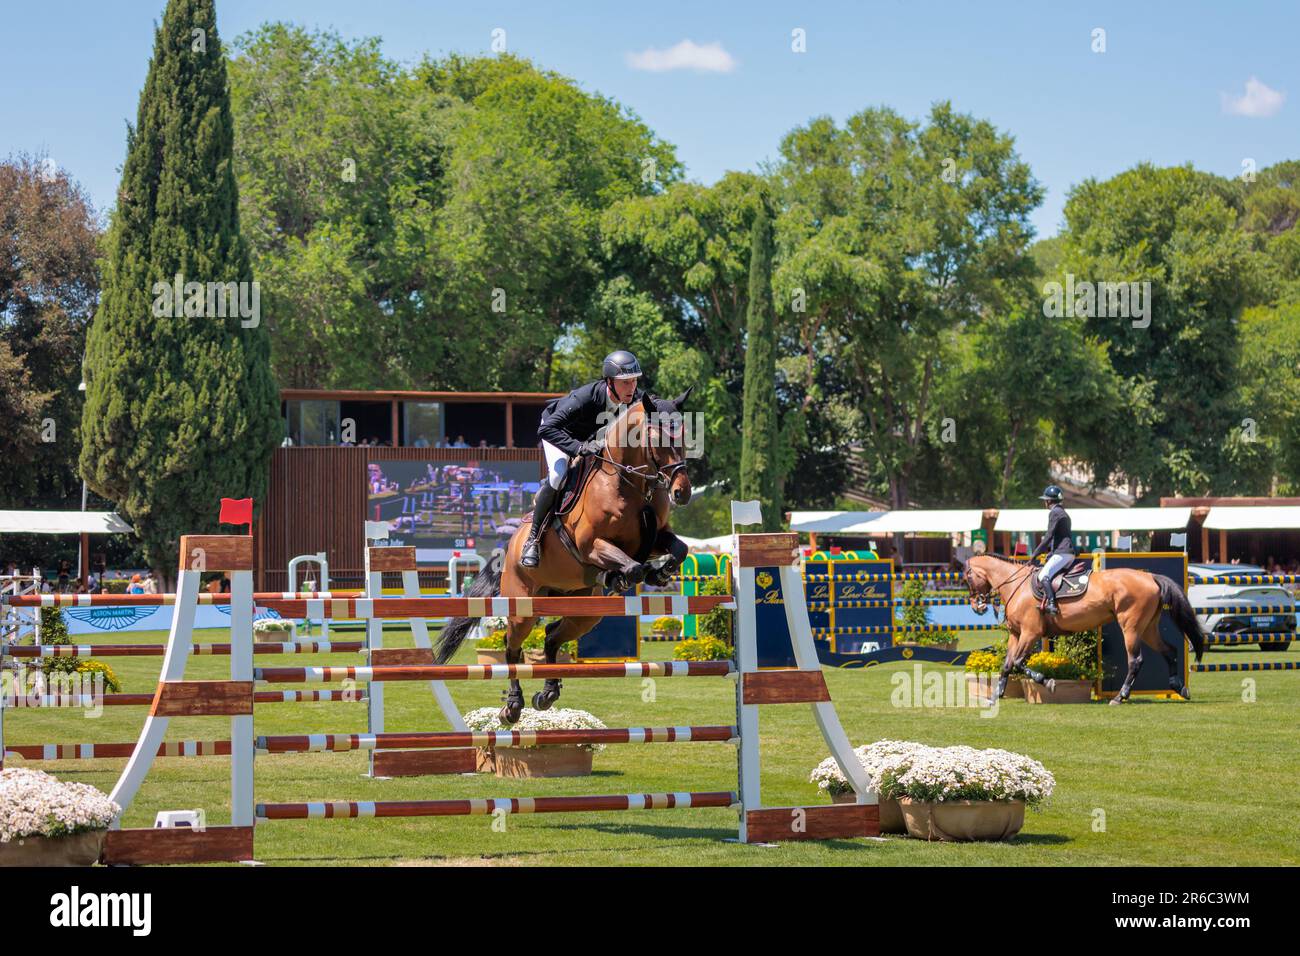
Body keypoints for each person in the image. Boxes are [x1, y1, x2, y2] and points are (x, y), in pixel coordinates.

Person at [522, 349, 645, 568]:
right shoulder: (585, 398)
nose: (632, 387)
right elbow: (548, 429)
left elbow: (652, 406)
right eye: (625, 382)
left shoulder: (633, 398)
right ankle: (533, 539)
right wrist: (578, 448)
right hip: (559, 434)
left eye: (634, 381)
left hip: (591, 438)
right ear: (610, 382)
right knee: (559, 476)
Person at [1030, 484, 1074, 615]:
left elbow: (1048, 536)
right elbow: (1058, 537)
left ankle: (1052, 604)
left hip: (1063, 553)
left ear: (1048, 501)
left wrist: (1034, 554)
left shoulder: (1054, 512)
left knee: (1044, 575)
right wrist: (1050, 553)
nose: (1045, 502)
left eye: (1045, 499)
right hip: (1067, 553)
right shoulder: (1064, 513)